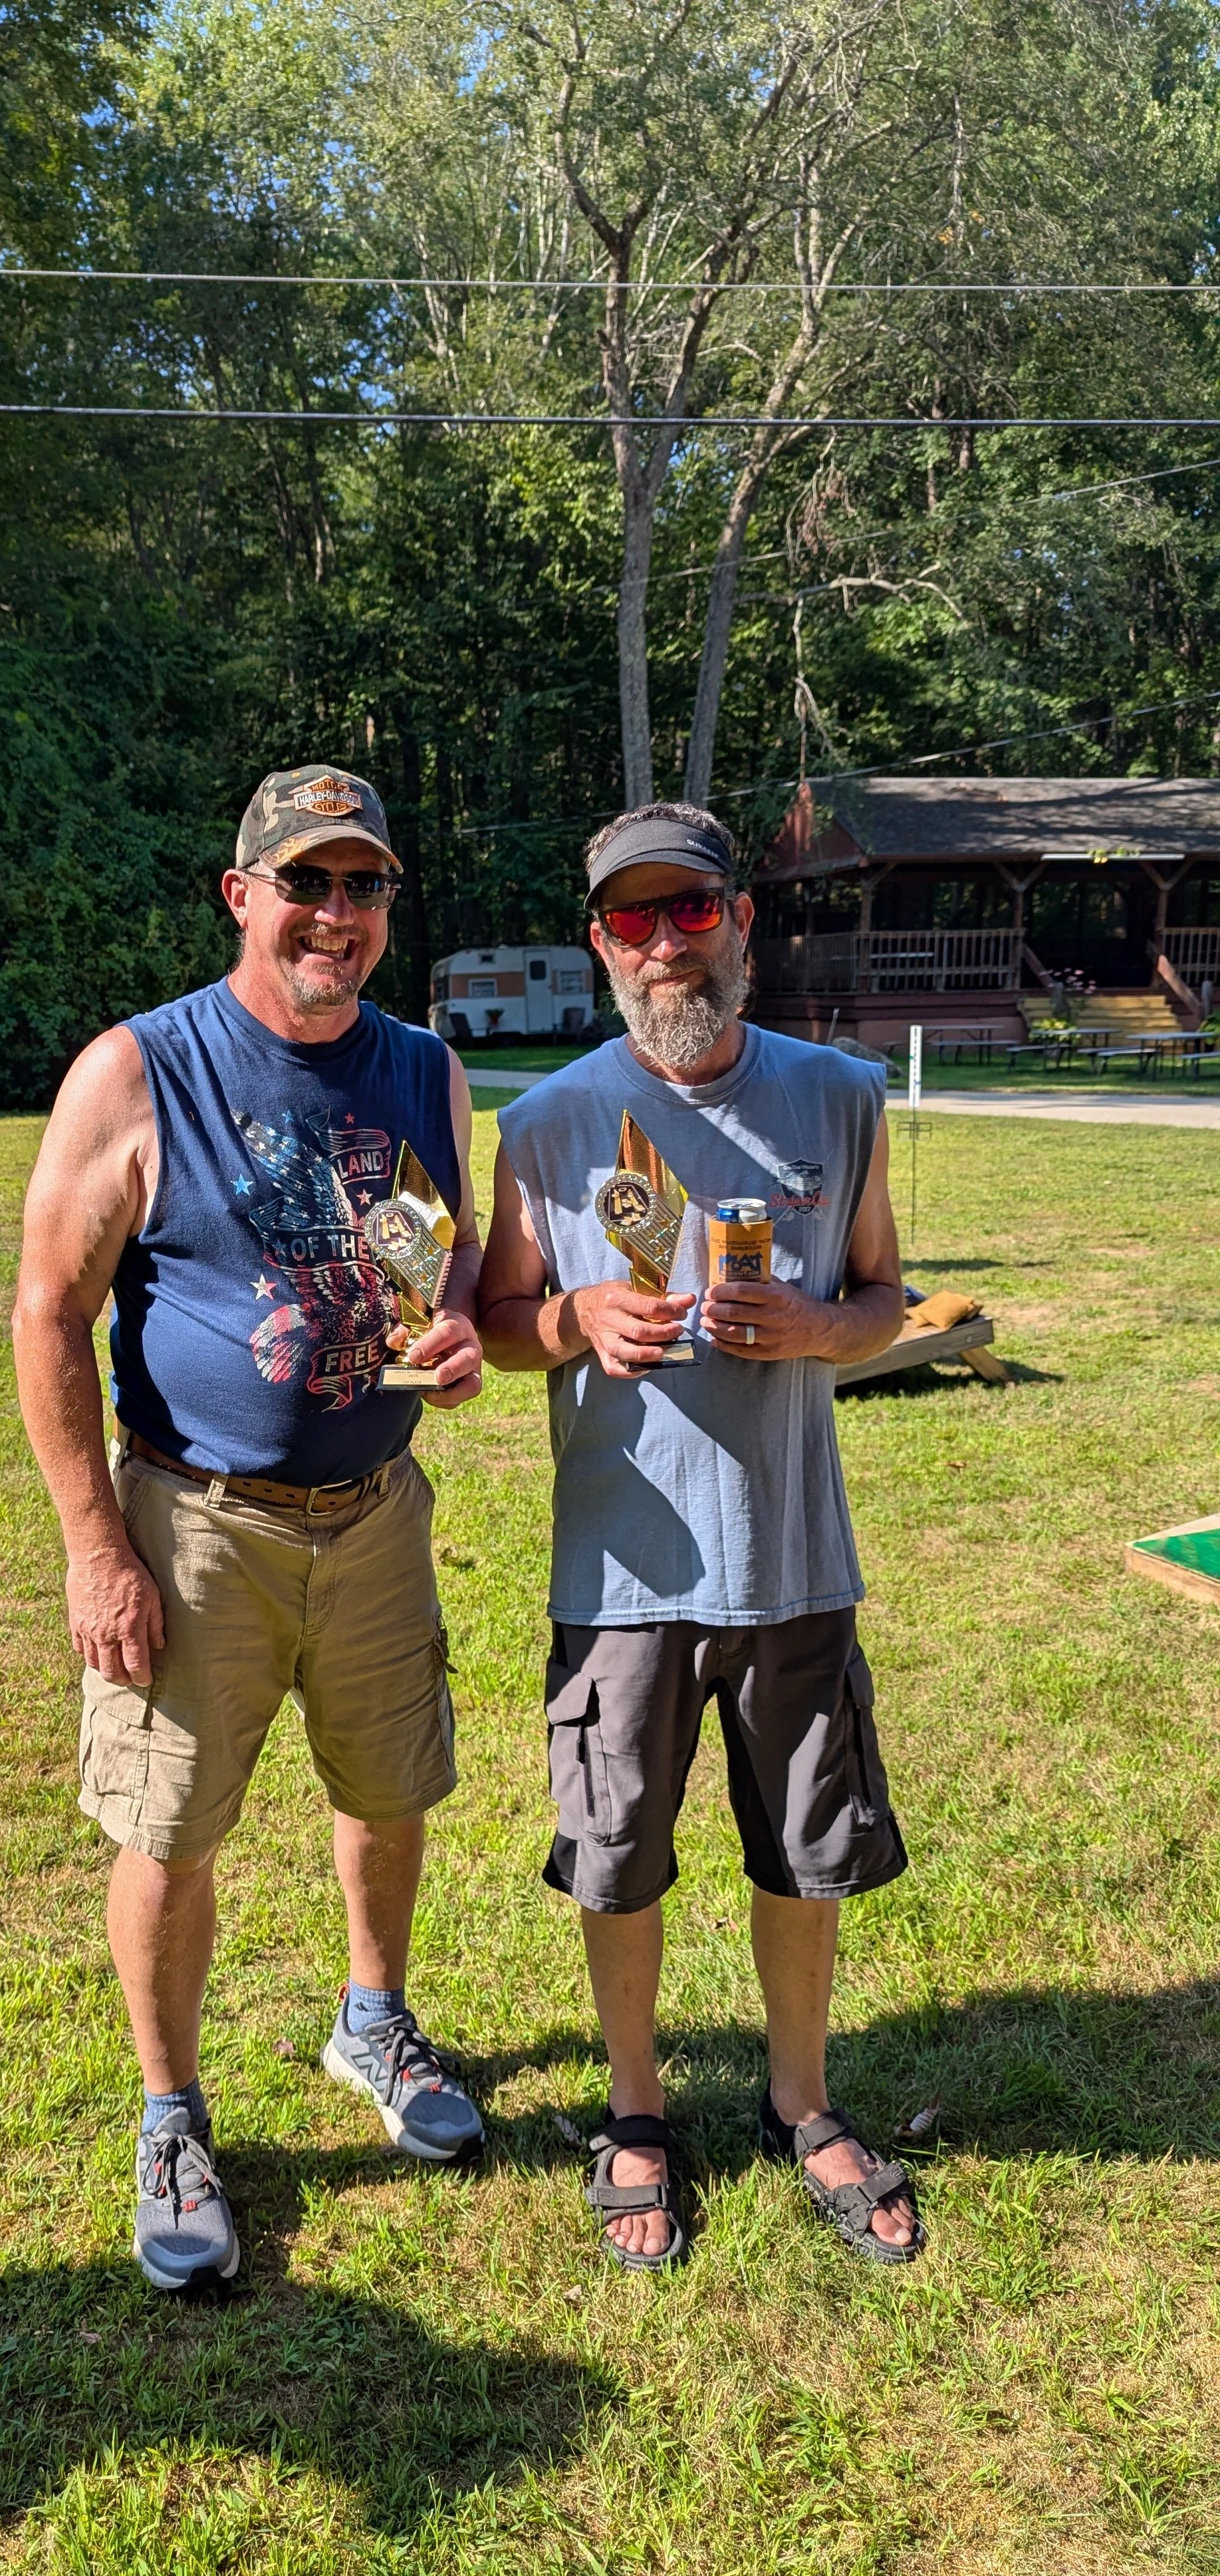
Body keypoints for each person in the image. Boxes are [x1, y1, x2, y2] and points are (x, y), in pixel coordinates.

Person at [13, 765, 485, 2294]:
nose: (336, 915)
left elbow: (446, 1259)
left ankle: (373, 2020)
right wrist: (97, 1546)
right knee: (169, 1830)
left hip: (376, 1512)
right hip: (195, 1521)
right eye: (307, 883)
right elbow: (49, 1309)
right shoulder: (140, 1070)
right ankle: (171, 2115)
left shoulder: (427, 1069)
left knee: (389, 1791)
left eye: (363, 887)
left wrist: (459, 1331)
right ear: (242, 897)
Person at [477, 800, 925, 2273]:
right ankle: (637, 2106)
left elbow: (886, 1297)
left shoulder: (841, 1097)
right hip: (623, 1570)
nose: (665, 944)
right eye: (633, 918)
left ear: (741, 923)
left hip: (792, 1555)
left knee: (805, 1850)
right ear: (601, 944)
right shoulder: (548, 1125)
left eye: (690, 912)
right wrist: (574, 1318)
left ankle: (800, 2100)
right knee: (618, 1853)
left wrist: (818, 1328)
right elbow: (499, 1320)